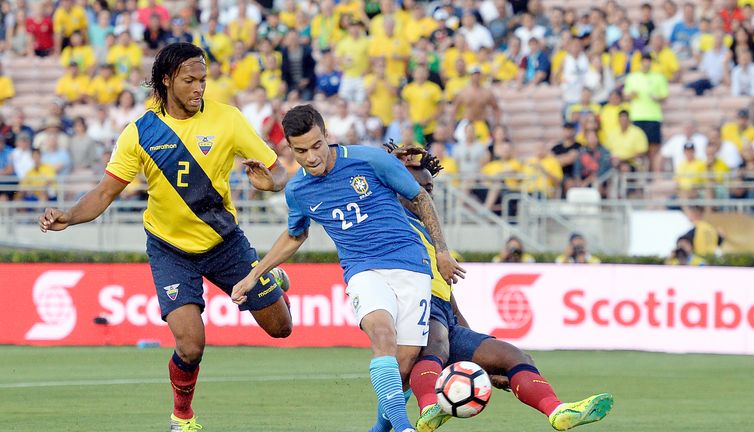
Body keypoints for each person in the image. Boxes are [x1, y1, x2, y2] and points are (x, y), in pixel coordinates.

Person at [38, 43, 293, 432]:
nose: (199, 88)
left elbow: (278, 172)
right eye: (190, 80)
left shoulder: (229, 120)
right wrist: (69, 216)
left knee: (281, 328)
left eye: (203, 80)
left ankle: (271, 277)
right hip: (170, 250)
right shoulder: (140, 132)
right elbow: (104, 193)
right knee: (190, 344)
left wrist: (270, 184)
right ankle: (183, 417)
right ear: (167, 80)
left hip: (225, 242)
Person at [230, 104, 465, 432]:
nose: (311, 157)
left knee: (405, 363)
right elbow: (295, 235)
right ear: (289, 149)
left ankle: (381, 428)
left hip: (411, 264)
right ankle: (403, 427)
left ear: (327, 136)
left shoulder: (368, 160)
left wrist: (441, 251)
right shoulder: (298, 190)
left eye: (316, 146)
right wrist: (253, 274)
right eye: (300, 151)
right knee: (382, 335)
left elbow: (422, 199)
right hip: (363, 270)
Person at [379, 145, 613, 432]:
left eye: (430, 187)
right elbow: (374, 185)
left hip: (444, 314)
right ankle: (429, 408)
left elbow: (448, 297)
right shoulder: (391, 218)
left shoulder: (431, 231)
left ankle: (557, 410)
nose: (426, 193)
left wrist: (471, 347)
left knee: (514, 356)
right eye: (418, 186)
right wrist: (390, 163)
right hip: (417, 308)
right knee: (436, 344)